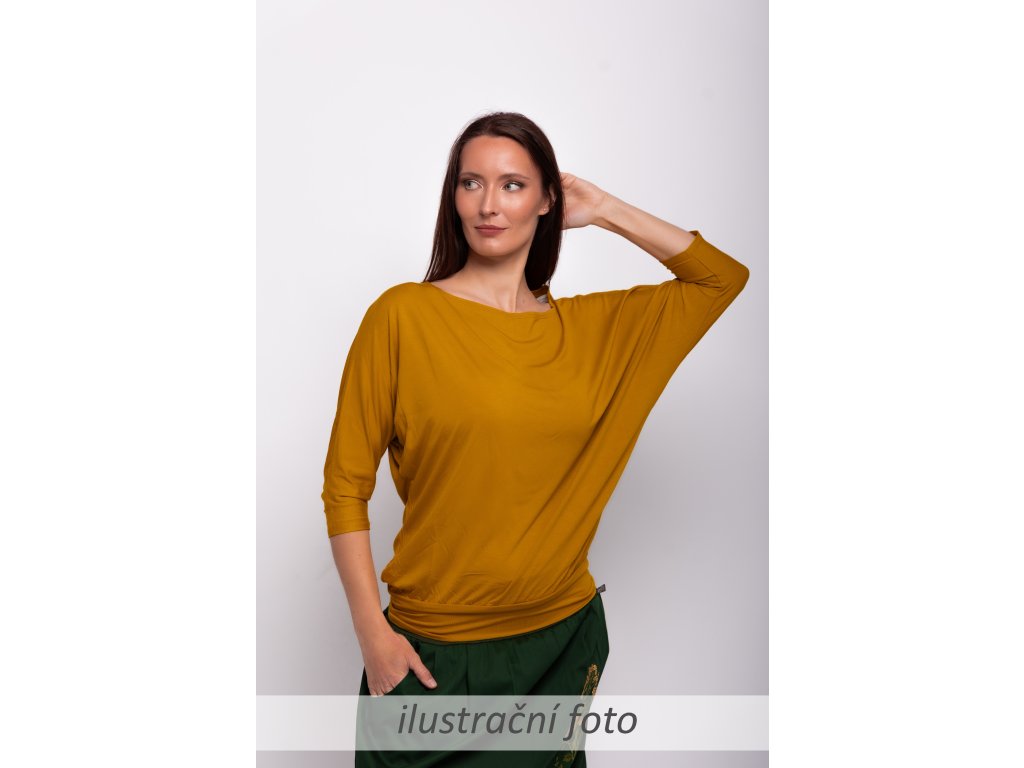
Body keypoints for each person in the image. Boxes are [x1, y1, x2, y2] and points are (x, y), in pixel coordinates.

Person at [321, 111, 750, 766]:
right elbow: (345, 488)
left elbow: (722, 277)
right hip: (434, 654)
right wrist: (371, 634)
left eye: (513, 185)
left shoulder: (595, 332)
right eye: (471, 183)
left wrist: (605, 209)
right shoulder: (403, 317)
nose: (488, 205)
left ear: (549, 199)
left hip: (558, 645)